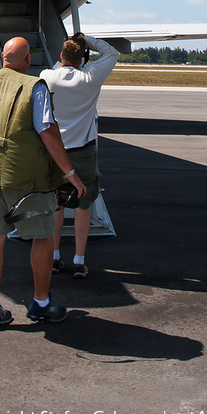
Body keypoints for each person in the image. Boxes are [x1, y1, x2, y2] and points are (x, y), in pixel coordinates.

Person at [0, 36, 86, 329]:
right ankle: (40, 303)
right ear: (28, 60)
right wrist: (69, 173)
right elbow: (47, 132)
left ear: (3, 57)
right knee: (41, 236)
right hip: (24, 177)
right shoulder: (34, 87)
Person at [40, 33, 120, 278]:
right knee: (84, 206)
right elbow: (112, 53)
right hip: (83, 151)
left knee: (56, 206)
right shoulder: (90, 77)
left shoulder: (47, 76)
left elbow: (56, 68)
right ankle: (79, 260)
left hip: (56, 152)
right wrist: (88, 39)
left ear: (61, 56)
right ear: (83, 58)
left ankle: (54, 257)